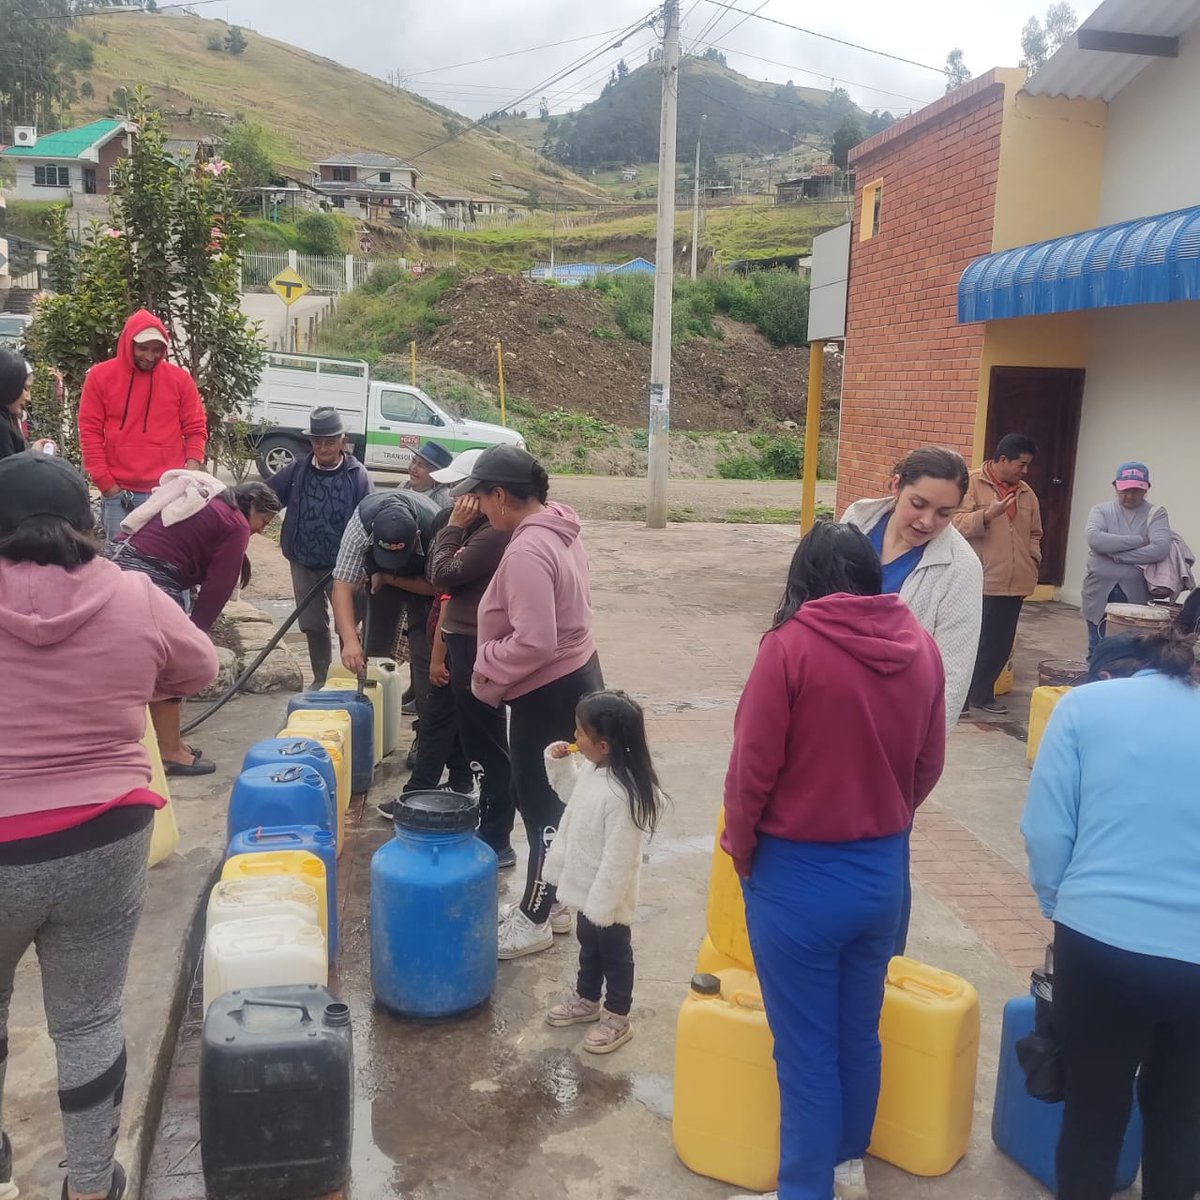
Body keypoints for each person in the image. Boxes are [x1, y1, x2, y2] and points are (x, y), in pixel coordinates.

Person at [0, 451, 218, 1200]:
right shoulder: (134, 595)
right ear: (88, 524)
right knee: (89, 1016)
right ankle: (90, 1184)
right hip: (105, 832)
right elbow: (200, 669)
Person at [724, 521, 946, 1200]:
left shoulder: (788, 649)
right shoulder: (922, 647)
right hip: (881, 873)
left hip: (797, 878)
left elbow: (749, 775)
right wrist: (885, 814)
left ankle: (805, 1188)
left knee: (805, 1055)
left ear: (806, 578)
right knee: (857, 1032)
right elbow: (928, 763)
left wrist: (743, 852)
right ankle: (848, 1164)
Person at [1021, 626, 1200, 1200]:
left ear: (1123, 667)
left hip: (1097, 945)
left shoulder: (1084, 707)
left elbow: (1046, 831)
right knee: (1181, 1117)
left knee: (1094, 1112)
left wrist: (1061, 904)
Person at [457, 444, 604, 960]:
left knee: (540, 804)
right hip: (577, 678)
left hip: (548, 690)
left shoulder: (525, 552)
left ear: (501, 495)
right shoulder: (559, 526)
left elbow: (535, 641)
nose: (477, 507)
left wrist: (484, 665)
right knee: (558, 801)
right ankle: (557, 900)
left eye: (479, 497)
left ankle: (536, 917)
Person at [113, 478, 281, 774]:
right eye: (263, 520)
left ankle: (163, 741)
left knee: (146, 664)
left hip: (119, 564)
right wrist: (196, 632)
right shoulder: (235, 523)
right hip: (150, 577)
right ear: (252, 506)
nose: (260, 530)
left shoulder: (211, 503)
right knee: (172, 666)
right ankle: (169, 752)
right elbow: (219, 585)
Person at [542, 691, 663, 1055]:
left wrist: (603, 904)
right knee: (587, 946)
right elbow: (569, 793)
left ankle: (617, 1015)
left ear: (604, 745)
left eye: (581, 733)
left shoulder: (624, 796)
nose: (575, 737)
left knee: (615, 953)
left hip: (608, 897)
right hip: (586, 888)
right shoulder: (594, 772)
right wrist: (559, 762)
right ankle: (587, 998)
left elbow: (619, 859)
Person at [842, 447, 982, 727]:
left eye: (944, 513)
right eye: (918, 504)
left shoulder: (961, 568)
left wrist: (923, 753)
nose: (927, 522)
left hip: (892, 723)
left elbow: (952, 674)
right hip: (827, 703)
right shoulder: (855, 524)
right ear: (896, 486)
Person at [426, 448, 516, 865]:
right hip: (463, 639)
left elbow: (440, 574)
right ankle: (491, 827)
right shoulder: (480, 529)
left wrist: (452, 528)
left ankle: (498, 838)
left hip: (477, 642)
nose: (450, 497)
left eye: (457, 491)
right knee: (477, 737)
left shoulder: (489, 533)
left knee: (488, 742)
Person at [78, 311, 208, 544]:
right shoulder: (100, 377)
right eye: (143, 348)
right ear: (129, 344)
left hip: (168, 493)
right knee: (121, 569)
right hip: (120, 495)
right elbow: (89, 431)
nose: (150, 356)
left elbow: (196, 428)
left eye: (156, 349)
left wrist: (188, 475)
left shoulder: (180, 380)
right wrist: (106, 484)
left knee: (164, 567)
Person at [266, 407, 372, 687]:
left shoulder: (356, 475)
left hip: (343, 566)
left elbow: (371, 518)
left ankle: (355, 678)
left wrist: (366, 566)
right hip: (303, 558)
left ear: (342, 440)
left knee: (347, 623)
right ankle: (321, 678)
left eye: (329, 441)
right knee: (312, 623)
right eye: (317, 441)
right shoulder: (298, 468)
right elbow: (268, 496)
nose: (323, 447)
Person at [331, 488, 442, 720]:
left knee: (424, 652)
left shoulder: (435, 529)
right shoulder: (361, 525)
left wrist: (390, 577)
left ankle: (425, 731)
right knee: (373, 648)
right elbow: (342, 585)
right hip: (378, 579)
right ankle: (370, 717)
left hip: (423, 582)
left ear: (416, 535)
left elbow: (435, 587)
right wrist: (350, 642)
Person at [953, 433, 1042, 714]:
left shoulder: (1026, 492)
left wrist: (1032, 558)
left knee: (1001, 645)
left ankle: (983, 694)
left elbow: (1035, 533)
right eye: (1021, 464)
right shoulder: (970, 483)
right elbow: (954, 524)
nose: (1024, 471)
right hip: (980, 579)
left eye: (1027, 465)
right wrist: (987, 515)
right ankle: (961, 699)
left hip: (1015, 580)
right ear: (1002, 460)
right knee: (975, 643)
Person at [1082, 462, 1171, 657]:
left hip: (1136, 592)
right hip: (1098, 589)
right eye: (1124, 490)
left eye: (1136, 491)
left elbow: (1159, 548)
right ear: (1115, 486)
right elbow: (1095, 539)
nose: (1129, 496)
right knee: (1096, 647)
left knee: (1131, 650)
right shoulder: (1101, 511)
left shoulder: (1156, 513)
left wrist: (1115, 555)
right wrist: (1139, 540)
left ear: (1147, 489)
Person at [0, 351, 48, 461]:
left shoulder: (7, 419)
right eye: (25, 388)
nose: (28, 398)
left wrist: (32, 453)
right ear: (9, 386)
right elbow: (10, 473)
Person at [405, 440, 454, 509]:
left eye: (421, 465)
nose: (413, 468)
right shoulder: (405, 486)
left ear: (435, 474)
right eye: (413, 461)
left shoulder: (444, 501)